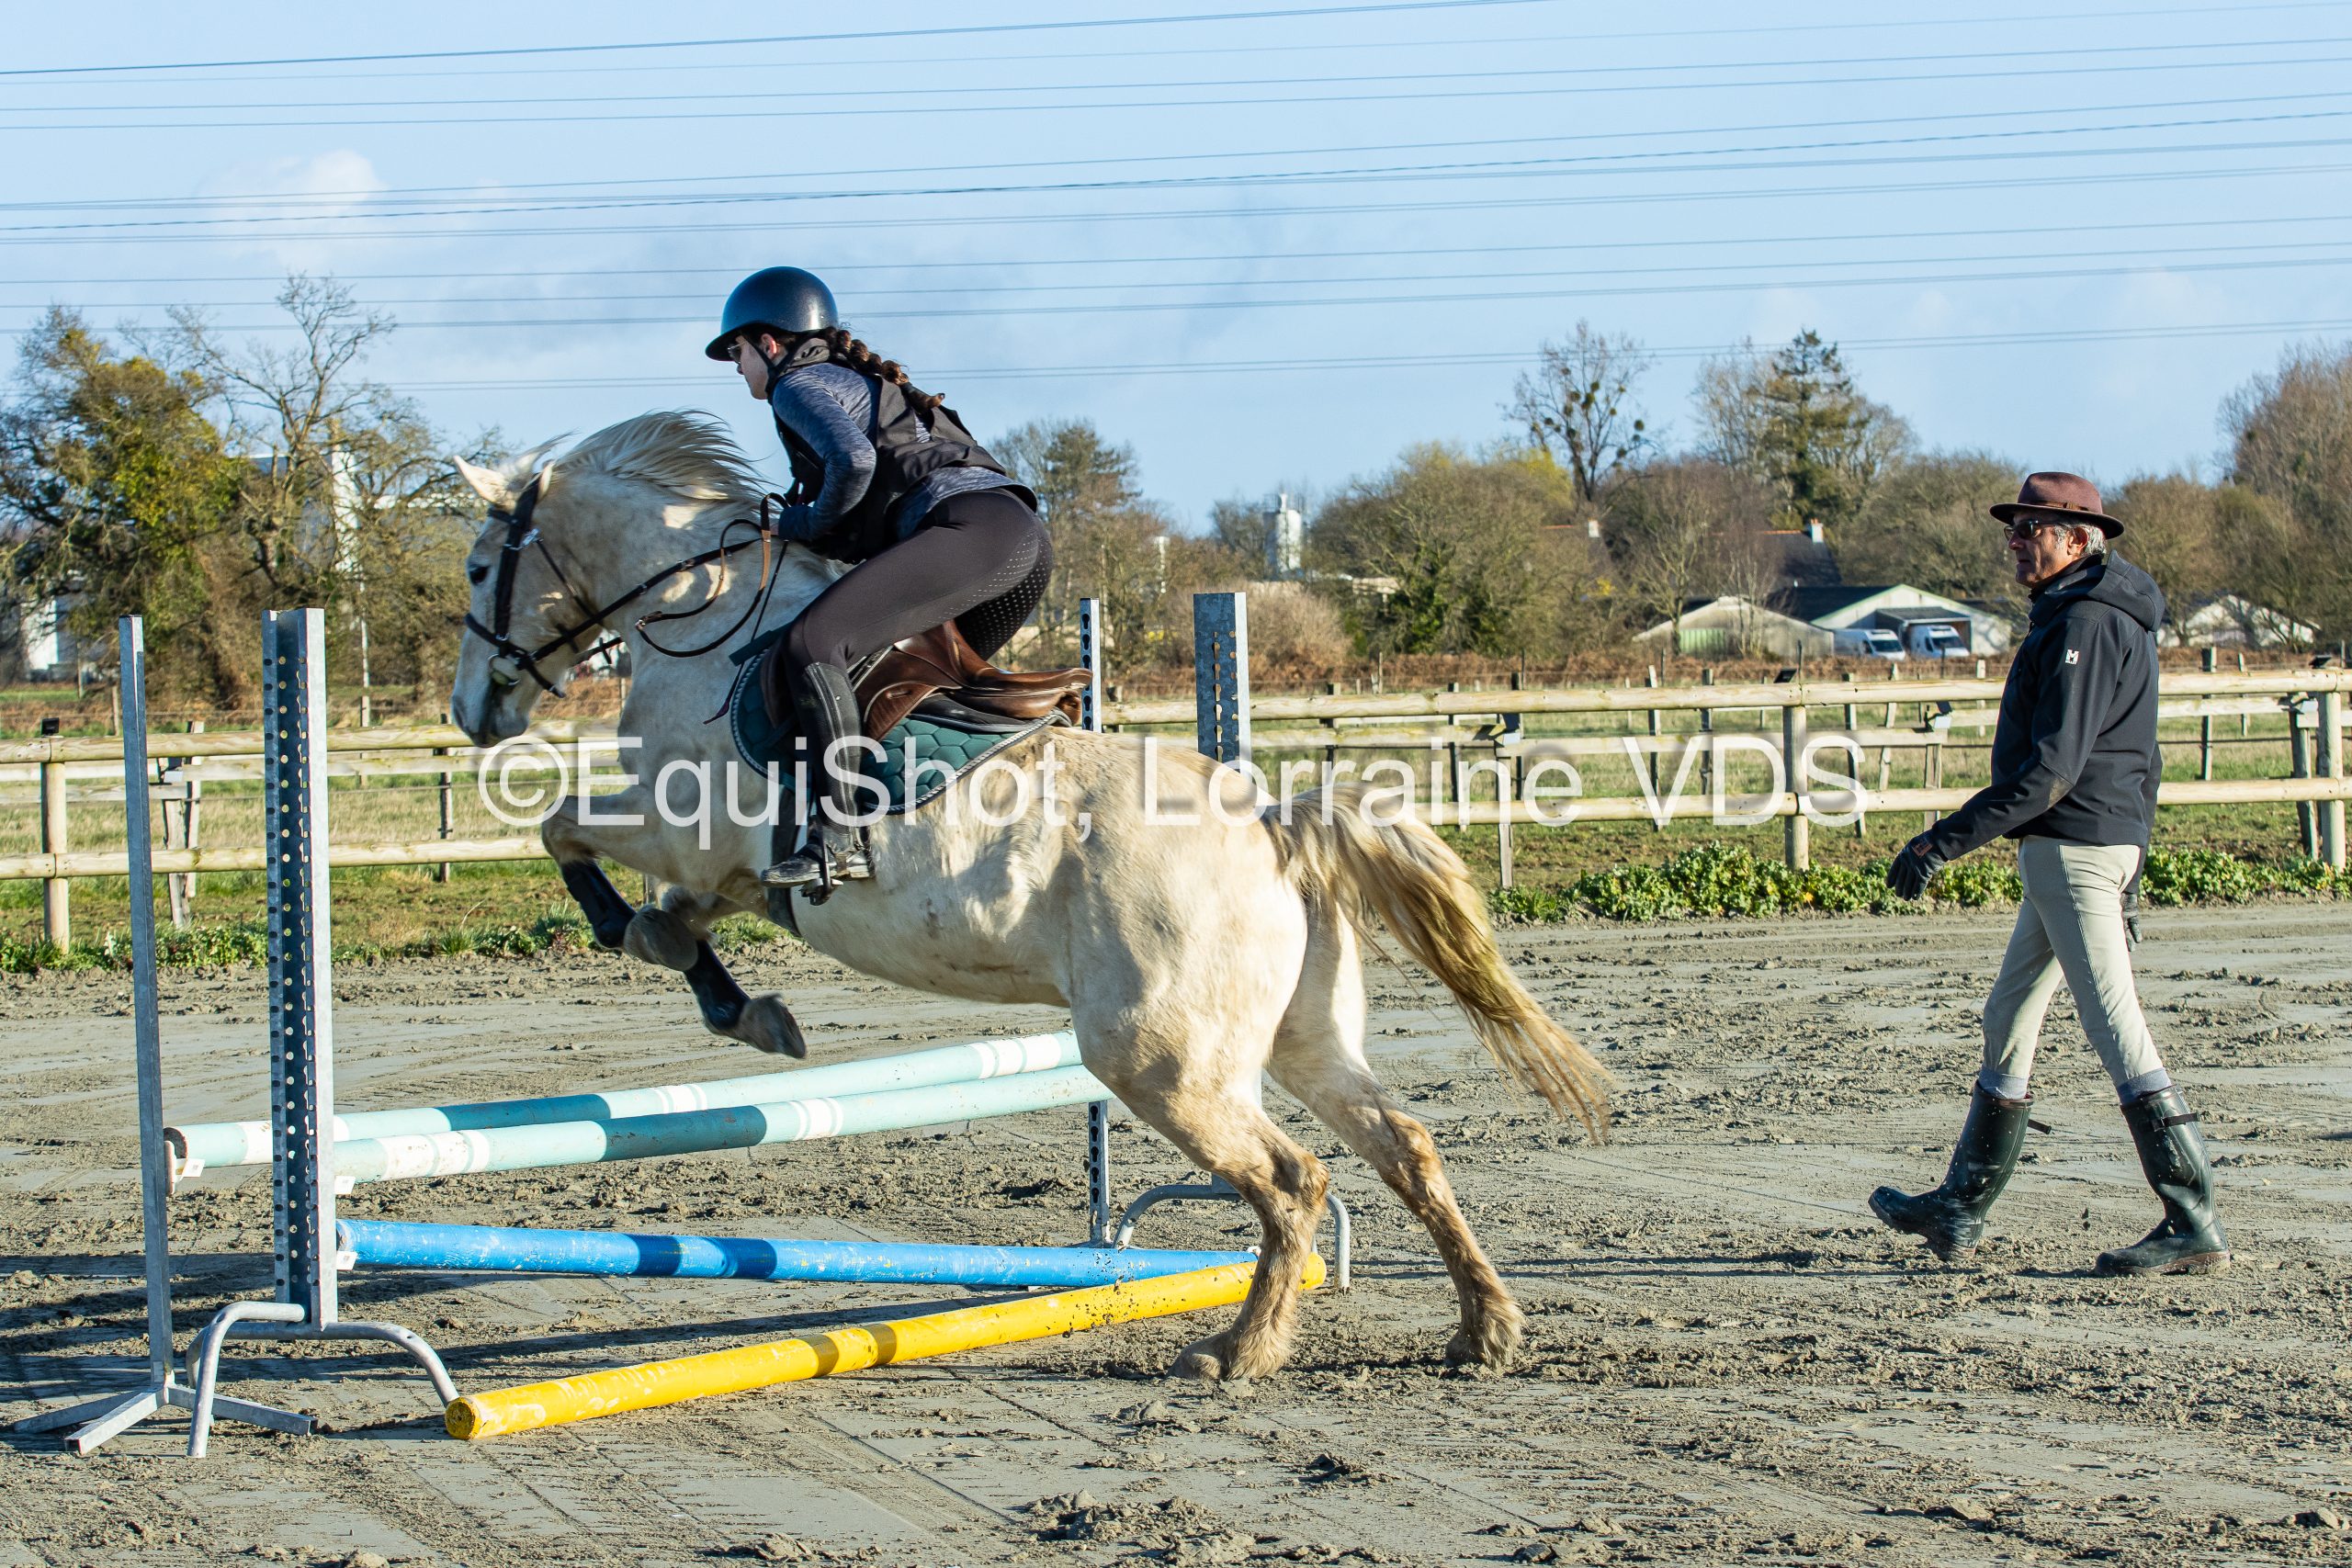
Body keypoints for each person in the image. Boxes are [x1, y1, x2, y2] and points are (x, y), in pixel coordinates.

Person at [1871, 471, 2229, 1277]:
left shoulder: (2087, 622)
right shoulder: (2090, 614)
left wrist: (1938, 844)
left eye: (2028, 528)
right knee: (2008, 1015)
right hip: (2078, 852)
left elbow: (2052, 770)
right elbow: (2145, 760)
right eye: (2014, 527)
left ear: (2075, 539)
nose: (2014, 540)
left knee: (2117, 1029)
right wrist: (2131, 867)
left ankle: (2191, 1216)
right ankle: (1961, 1207)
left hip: (2073, 850)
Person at [706, 266, 1051, 901]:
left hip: (975, 535)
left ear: (770, 343)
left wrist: (801, 523)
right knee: (903, 678)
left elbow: (855, 462)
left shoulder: (796, 384)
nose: (736, 367)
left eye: (738, 351)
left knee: (814, 645)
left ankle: (838, 836)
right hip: (1015, 540)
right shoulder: (861, 384)